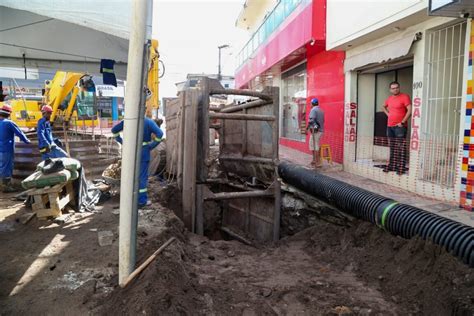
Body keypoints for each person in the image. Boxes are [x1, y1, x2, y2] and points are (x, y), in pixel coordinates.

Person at [112, 117, 163, 208]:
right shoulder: (148, 122)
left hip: (129, 152)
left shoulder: (127, 121)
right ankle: (141, 201)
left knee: (129, 176)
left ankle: (128, 199)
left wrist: (121, 141)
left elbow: (114, 130)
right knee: (142, 177)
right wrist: (151, 146)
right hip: (143, 152)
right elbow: (160, 134)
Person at [382, 81, 412, 175]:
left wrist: (402, 122)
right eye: (393, 88)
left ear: (399, 88)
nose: (395, 89)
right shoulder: (389, 98)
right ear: (390, 89)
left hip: (400, 127)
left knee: (401, 147)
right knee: (392, 147)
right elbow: (383, 107)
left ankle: (401, 167)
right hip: (390, 126)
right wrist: (388, 115)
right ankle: (392, 165)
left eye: (397, 87)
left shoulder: (405, 96)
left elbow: (410, 110)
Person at [0, 104, 31, 192]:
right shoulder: (9, 123)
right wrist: (27, 141)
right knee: (7, 167)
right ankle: (6, 187)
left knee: (1, 166)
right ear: (9, 114)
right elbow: (20, 133)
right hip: (6, 149)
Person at [306, 98, 324, 168]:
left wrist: (308, 128)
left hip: (316, 131)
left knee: (314, 145)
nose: (310, 105)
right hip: (320, 131)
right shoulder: (321, 110)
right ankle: (314, 160)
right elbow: (322, 121)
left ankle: (317, 162)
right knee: (313, 145)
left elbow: (311, 120)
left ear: (312, 103)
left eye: (310, 103)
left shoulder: (313, 110)